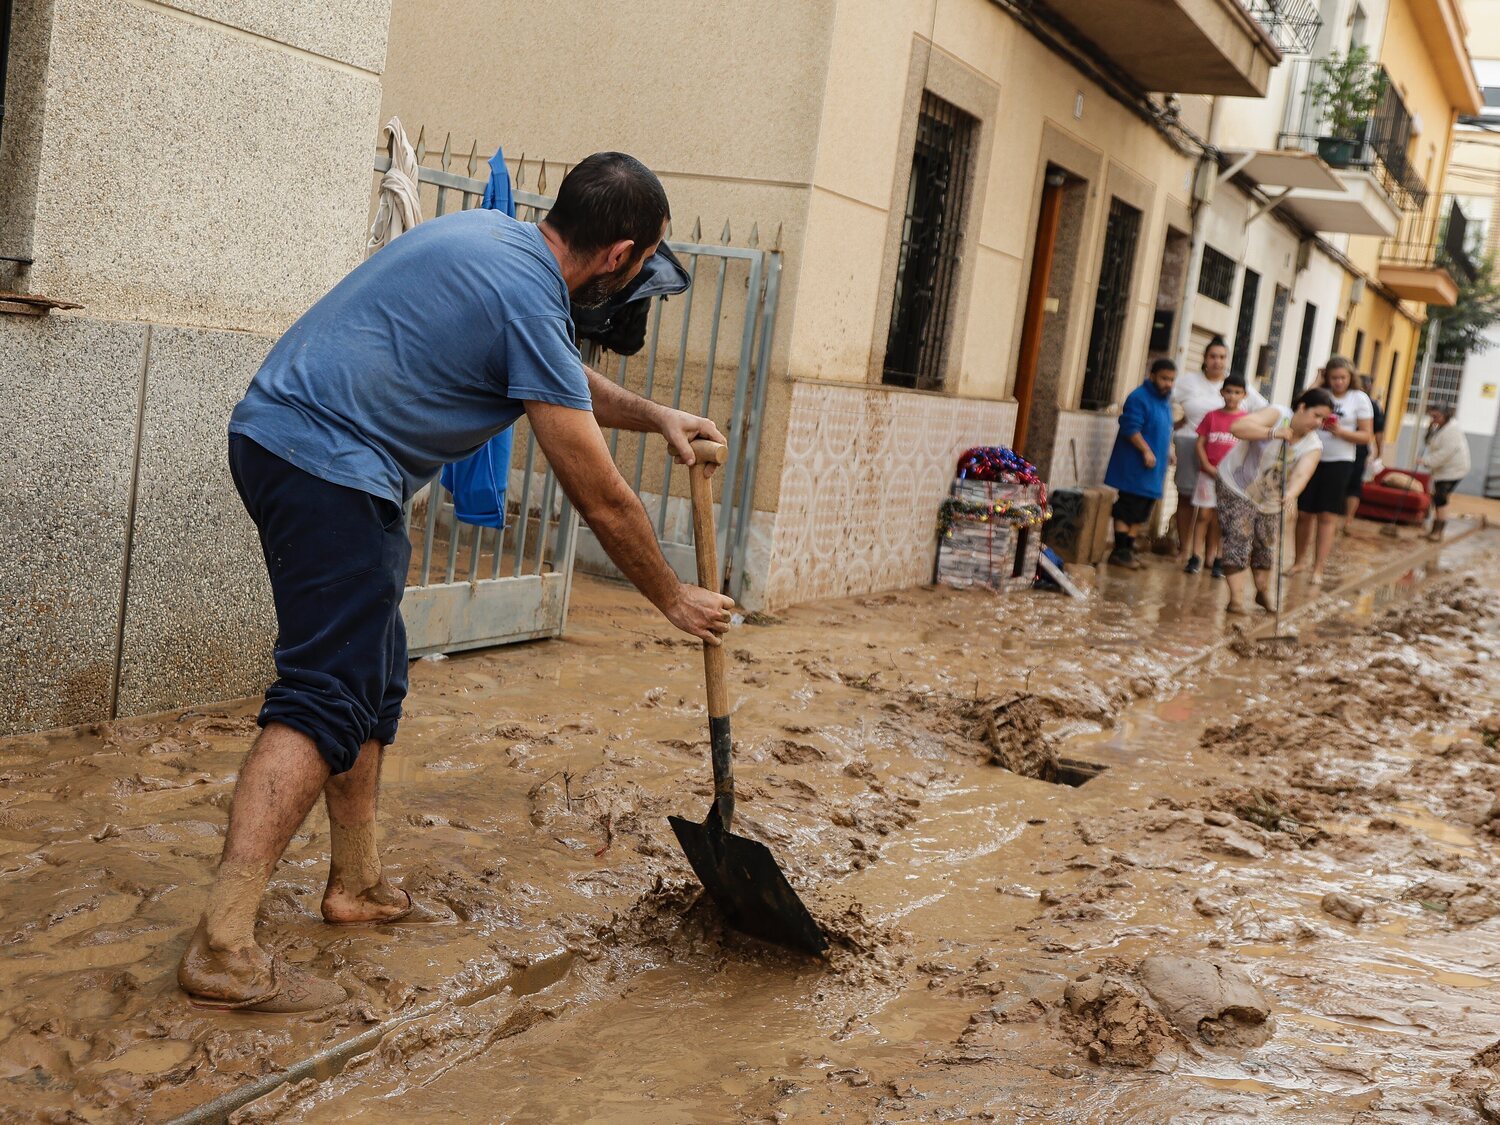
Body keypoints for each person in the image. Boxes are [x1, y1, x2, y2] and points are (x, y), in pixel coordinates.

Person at [176, 153, 735, 1014]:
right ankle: (222, 941)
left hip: (295, 442)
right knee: (324, 697)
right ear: (620, 255)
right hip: (329, 463)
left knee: (374, 677)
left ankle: (356, 884)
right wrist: (672, 595)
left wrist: (653, 412)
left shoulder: (496, 242)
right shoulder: (525, 292)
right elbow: (600, 493)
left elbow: (550, 368)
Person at [1216, 388, 1334, 614]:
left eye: (1323, 419)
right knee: (1238, 537)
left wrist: (1290, 494)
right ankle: (1237, 600)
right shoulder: (1278, 414)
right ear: (1302, 408)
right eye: (1316, 415)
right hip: (1237, 485)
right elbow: (1237, 428)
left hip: (1271, 497)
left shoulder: (1313, 445)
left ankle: (1262, 591)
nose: (1319, 422)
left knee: (1265, 546)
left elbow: (1302, 474)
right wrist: (1272, 433)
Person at [1171, 337, 1267, 562]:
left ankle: (1210, 555)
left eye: (1222, 357)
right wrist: (1172, 429)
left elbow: (1265, 411)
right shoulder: (1188, 382)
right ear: (1204, 358)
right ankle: (1185, 549)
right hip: (1190, 443)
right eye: (1213, 356)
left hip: (1226, 456)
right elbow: (1165, 403)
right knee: (1186, 498)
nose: (1217, 361)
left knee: (1215, 508)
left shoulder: (1239, 386)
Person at [1289, 357, 1372, 584]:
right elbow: (1298, 406)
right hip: (1310, 456)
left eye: (1342, 378)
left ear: (1350, 377)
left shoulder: (1359, 399)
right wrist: (1316, 381)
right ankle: (1299, 561)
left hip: (1340, 461)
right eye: (1333, 377)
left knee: (1327, 515)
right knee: (1304, 512)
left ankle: (1318, 568)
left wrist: (1340, 432)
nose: (1338, 382)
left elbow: (1366, 435)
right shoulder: (1321, 392)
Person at [1105, 359, 1177, 570]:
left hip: (1153, 470)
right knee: (1127, 508)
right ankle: (1119, 551)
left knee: (1143, 511)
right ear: (1152, 375)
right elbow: (1130, 427)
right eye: (1164, 378)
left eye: (1172, 380)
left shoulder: (1164, 401)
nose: (1168, 384)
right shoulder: (1139, 397)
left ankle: (1127, 550)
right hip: (1134, 466)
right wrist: (1145, 450)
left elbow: (1164, 431)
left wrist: (1169, 451)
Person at [1185, 374, 1250, 578]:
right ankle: (1195, 555)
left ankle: (1217, 558)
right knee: (1204, 514)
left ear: (1244, 395)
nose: (1232, 396)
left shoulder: (1245, 421)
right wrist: (1206, 464)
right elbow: (1200, 444)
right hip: (1208, 474)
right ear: (1222, 392)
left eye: (1237, 392)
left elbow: (1247, 450)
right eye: (1228, 391)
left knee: (1222, 519)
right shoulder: (1212, 416)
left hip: (1231, 479)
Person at [1343, 373, 1387, 534]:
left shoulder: (1373, 406)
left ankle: (1347, 519)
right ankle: (1345, 519)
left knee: (1354, 485)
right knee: (1351, 485)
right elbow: (1379, 432)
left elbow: (1379, 432)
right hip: (1346, 449)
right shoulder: (1345, 401)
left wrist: (1380, 453)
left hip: (1358, 449)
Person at [1419, 404, 1471, 541]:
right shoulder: (1439, 427)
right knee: (1437, 497)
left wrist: (1427, 461)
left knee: (1441, 498)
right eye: (1432, 416)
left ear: (1446, 415)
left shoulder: (1452, 429)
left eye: (1436, 416)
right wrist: (1430, 429)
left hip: (1453, 470)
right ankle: (1434, 531)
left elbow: (1445, 453)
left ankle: (1438, 532)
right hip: (1443, 469)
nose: (1433, 419)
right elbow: (1430, 443)